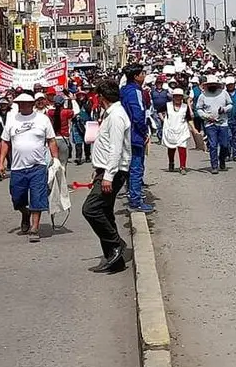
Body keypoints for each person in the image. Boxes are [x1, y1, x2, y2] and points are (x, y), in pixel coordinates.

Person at [0, 92, 60, 243]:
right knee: (17, 197)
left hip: (38, 166)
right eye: (20, 103)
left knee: (37, 197)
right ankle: (25, 213)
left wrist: (55, 159)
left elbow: (51, 140)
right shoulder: (12, 120)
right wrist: (1, 163)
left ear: (32, 104)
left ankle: (34, 227)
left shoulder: (42, 119)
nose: (23, 106)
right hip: (18, 167)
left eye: (26, 103)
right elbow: (5, 142)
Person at [82, 80, 131, 274]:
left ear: (101, 96)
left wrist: (108, 176)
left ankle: (116, 244)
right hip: (105, 169)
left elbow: (116, 148)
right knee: (105, 211)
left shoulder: (117, 116)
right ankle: (113, 257)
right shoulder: (110, 114)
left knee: (91, 209)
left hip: (114, 171)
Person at [120, 63, 154, 213]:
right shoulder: (135, 92)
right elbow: (138, 115)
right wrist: (144, 132)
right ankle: (136, 200)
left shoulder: (124, 90)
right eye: (142, 73)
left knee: (131, 167)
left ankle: (133, 194)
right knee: (136, 167)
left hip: (125, 133)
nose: (144, 75)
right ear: (135, 76)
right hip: (134, 135)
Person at [195, 74, 232, 174]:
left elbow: (230, 104)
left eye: (214, 84)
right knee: (213, 145)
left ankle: (222, 159)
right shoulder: (203, 96)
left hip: (223, 122)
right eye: (210, 84)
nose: (212, 86)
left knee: (224, 145)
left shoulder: (224, 93)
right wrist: (206, 116)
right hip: (210, 124)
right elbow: (198, 109)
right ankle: (214, 165)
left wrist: (224, 109)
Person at [161, 88, 191, 174]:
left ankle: (182, 166)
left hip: (182, 129)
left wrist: (194, 129)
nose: (178, 98)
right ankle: (171, 162)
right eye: (176, 96)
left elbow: (189, 119)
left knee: (182, 148)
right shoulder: (167, 105)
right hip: (171, 129)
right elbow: (159, 111)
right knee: (171, 148)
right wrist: (163, 119)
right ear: (173, 97)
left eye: (180, 97)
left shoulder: (185, 107)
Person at [49, 95, 74, 168]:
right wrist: (70, 100)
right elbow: (72, 112)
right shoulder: (67, 112)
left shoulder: (50, 112)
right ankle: (63, 179)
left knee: (54, 164)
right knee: (63, 164)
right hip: (63, 138)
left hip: (54, 139)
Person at [71, 95, 93, 165]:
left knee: (87, 142)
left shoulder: (87, 104)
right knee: (78, 142)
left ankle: (87, 156)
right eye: (79, 95)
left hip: (86, 124)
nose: (81, 97)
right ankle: (78, 157)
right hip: (76, 125)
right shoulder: (73, 104)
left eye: (82, 95)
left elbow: (90, 112)